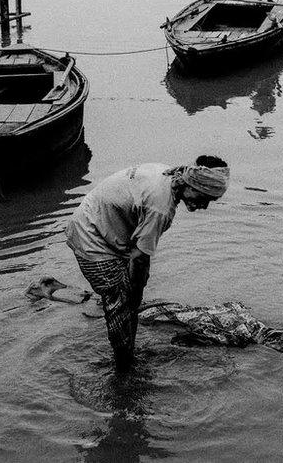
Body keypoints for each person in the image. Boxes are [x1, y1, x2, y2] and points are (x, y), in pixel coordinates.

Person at [65, 155, 230, 372]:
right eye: (204, 197)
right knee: (121, 302)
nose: (204, 206)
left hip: (106, 226)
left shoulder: (168, 173)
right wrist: (133, 290)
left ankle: (128, 353)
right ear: (193, 184)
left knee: (132, 297)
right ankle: (123, 370)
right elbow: (139, 257)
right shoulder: (161, 207)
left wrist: (137, 288)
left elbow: (139, 253)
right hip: (93, 238)